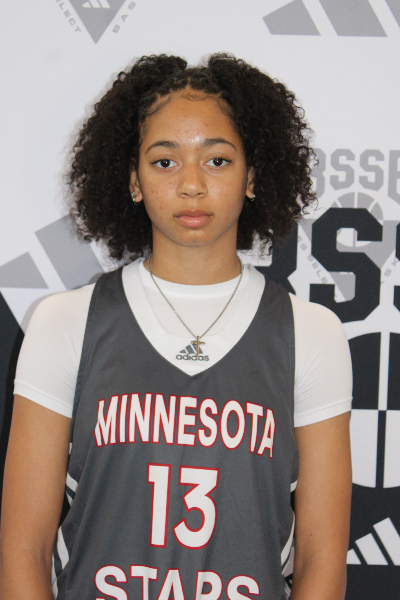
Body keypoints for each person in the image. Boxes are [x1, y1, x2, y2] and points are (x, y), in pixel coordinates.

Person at [0, 54, 352, 600]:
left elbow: (320, 560)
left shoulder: (311, 333)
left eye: (217, 160)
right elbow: (23, 550)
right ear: (133, 181)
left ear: (252, 177)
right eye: (165, 161)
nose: (191, 184)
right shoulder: (65, 322)